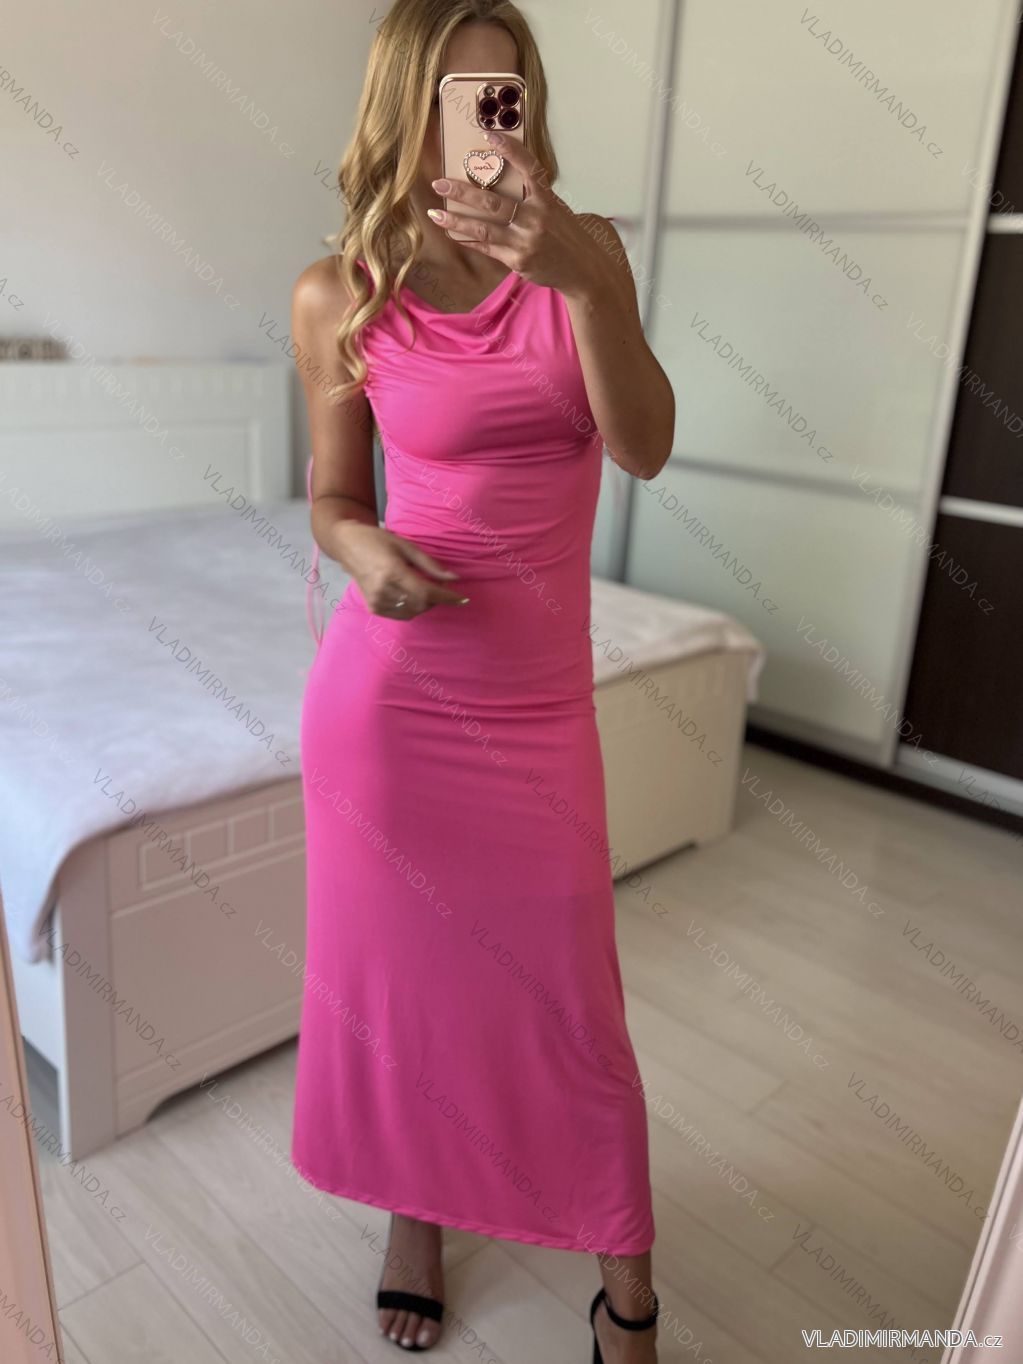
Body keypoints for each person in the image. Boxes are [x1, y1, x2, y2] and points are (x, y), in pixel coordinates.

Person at [289, 2, 675, 1359]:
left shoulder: (588, 256)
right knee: (406, 994)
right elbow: (335, 500)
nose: (492, 119)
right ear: (410, 106)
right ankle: (417, 1218)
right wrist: (364, 555)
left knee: (573, 1008)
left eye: (510, 92)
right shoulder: (339, 292)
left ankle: (628, 1289)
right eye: (464, 92)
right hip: (391, 708)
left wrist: (588, 284)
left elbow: (643, 449)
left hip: (537, 712)